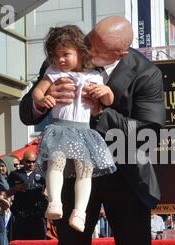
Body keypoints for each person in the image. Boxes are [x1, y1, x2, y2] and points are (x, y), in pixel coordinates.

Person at [19, 16, 165, 245]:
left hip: (127, 177)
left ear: (119, 55)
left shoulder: (146, 74)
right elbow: (27, 111)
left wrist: (100, 110)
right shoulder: (64, 59)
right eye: (87, 40)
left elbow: (148, 135)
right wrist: (41, 101)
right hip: (76, 173)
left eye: (94, 48)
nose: (85, 50)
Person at [32, 25, 116, 232]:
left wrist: (105, 91)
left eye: (65, 54)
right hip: (61, 128)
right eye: (56, 55)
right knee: (56, 163)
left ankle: (80, 212)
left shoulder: (95, 76)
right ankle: (55, 202)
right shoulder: (53, 73)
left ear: (80, 51)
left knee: (85, 170)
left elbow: (109, 100)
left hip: (84, 131)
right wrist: (43, 98)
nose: (60, 59)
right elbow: (36, 92)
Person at [8, 151, 48, 241]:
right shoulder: (14, 175)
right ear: (23, 161)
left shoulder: (42, 175)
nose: (31, 164)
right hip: (20, 217)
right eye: (28, 161)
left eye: (34, 162)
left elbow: (49, 191)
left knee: (39, 244)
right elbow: (7, 193)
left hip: (37, 216)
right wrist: (16, 188)